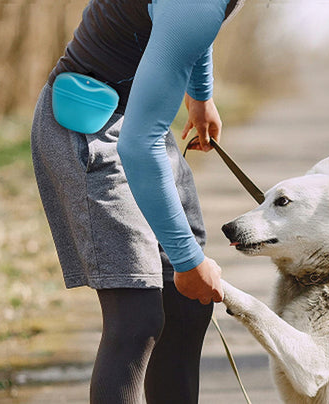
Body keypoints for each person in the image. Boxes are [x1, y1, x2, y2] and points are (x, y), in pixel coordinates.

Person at [31, 0, 246, 403]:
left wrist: (200, 94)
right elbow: (138, 148)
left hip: (140, 122)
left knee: (187, 306)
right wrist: (187, 260)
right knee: (137, 319)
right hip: (88, 128)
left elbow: (189, 28)